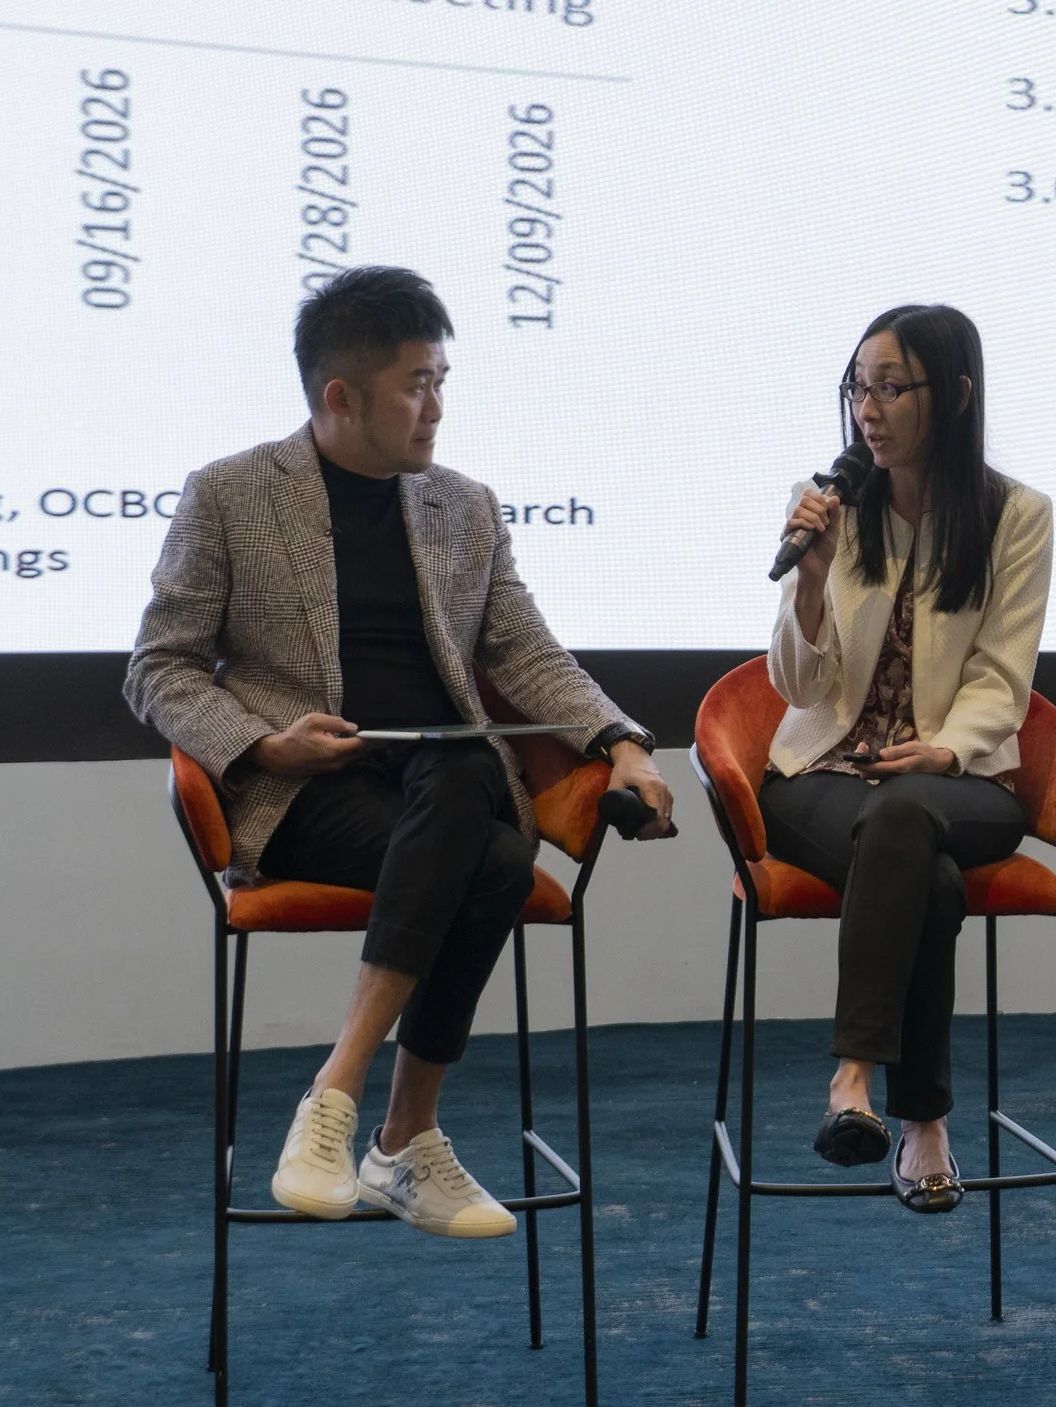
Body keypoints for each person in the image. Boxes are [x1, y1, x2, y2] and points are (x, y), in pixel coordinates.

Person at [126, 266, 672, 1237]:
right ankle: (402, 1139)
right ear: (341, 396)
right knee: (494, 863)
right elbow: (158, 669)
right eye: (417, 385)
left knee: (466, 781)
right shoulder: (229, 494)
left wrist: (622, 740)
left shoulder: (465, 505)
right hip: (310, 794)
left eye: (442, 381)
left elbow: (525, 650)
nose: (437, 407)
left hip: (444, 781)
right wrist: (265, 745)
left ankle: (337, 1099)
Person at [762, 304, 1053, 1214]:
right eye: (857, 387)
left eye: (890, 388)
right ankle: (922, 1121)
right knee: (927, 877)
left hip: (959, 777)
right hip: (825, 773)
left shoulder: (1017, 516)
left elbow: (1002, 675)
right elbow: (796, 687)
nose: (867, 410)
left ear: (955, 396)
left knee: (907, 813)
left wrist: (947, 748)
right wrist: (811, 583)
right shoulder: (832, 505)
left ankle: (852, 1076)